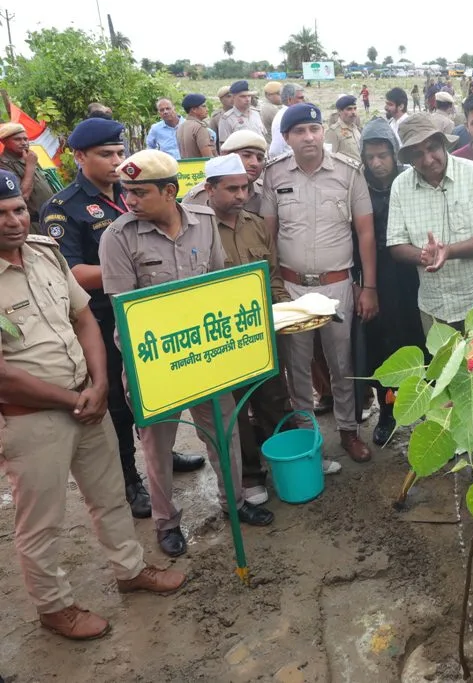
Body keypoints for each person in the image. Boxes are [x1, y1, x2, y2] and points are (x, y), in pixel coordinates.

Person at [0, 170, 187, 641]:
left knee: (109, 497)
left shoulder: (45, 254)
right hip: (31, 418)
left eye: (18, 210)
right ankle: (54, 607)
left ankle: (131, 571)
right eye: (0, 215)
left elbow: (84, 317)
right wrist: (74, 397)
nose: (13, 221)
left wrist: (100, 383)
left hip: (88, 397)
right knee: (41, 521)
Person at [99, 150, 275, 557]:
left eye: (140, 192)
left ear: (170, 191)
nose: (130, 200)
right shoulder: (118, 237)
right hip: (155, 365)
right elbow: (126, 315)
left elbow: (219, 288)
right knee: (157, 448)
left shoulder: (205, 224)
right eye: (127, 191)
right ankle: (166, 521)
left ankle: (235, 502)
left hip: (207, 357)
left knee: (224, 434)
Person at [42, 119, 208, 521]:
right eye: (106, 155)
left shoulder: (130, 192)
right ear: (79, 157)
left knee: (160, 391)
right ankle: (130, 480)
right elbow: (72, 272)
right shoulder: (64, 208)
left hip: (155, 314)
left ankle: (162, 457)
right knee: (118, 403)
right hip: (101, 319)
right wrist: (132, 269)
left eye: (119, 153)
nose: (117, 162)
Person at [261, 104, 378, 464]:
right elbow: (268, 234)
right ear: (287, 138)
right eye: (300, 131)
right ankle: (308, 436)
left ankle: (348, 431)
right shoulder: (275, 174)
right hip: (292, 287)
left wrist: (369, 286)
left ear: (322, 132)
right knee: (296, 367)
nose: (309, 137)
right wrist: (272, 285)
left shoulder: (347, 171)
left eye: (314, 129)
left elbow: (365, 232)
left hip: (337, 285)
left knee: (342, 364)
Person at [200, 153, 295, 505]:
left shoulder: (255, 224)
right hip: (222, 337)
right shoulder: (197, 228)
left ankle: (285, 457)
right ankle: (251, 474)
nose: (241, 195)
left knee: (273, 397)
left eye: (245, 188)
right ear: (210, 189)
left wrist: (286, 311)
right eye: (232, 189)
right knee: (235, 409)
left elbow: (272, 275)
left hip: (261, 331)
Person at [385, 113, 473, 334]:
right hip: (433, 307)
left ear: (443, 145)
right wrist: (423, 255)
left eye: (432, 148)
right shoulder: (401, 186)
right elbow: (396, 246)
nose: (428, 159)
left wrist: (448, 251)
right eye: (418, 154)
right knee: (443, 367)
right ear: (409, 159)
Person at [359, 118, 426, 446]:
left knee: (418, 340)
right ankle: (387, 411)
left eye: (383, 155)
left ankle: (423, 404)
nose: (376, 163)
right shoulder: (358, 186)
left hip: (413, 275)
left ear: (394, 153)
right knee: (381, 346)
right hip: (375, 278)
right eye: (370, 156)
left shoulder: (411, 180)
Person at [183, 130, 266, 216]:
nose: (255, 163)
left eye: (259, 158)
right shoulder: (198, 196)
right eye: (246, 156)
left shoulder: (264, 191)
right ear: (225, 156)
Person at [0, 122, 54, 232]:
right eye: (18, 139)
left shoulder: (29, 157)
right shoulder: (3, 164)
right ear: (4, 141)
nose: (24, 143)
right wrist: (30, 166)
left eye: (25, 139)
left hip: (50, 219)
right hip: (33, 225)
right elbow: (22, 196)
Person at [269, 84, 306, 158]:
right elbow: (275, 151)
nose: (304, 101)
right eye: (300, 98)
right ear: (289, 100)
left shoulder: (293, 115)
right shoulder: (283, 118)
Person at [175, 94, 214, 159]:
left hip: (186, 167)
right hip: (201, 167)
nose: (207, 109)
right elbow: (208, 157)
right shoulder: (199, 127)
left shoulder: (180, 127)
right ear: (194, 110)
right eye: (203, 106)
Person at [325, 95, 362, 161]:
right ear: (339, 111)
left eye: (355, 108)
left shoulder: (355, 129)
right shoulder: (333, 132)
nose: (353, 112)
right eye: (349, 109)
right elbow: (329, 158)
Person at [209, 86, 233, 151]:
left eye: (234, 96)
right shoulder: (217, 117)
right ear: (221, 99)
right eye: (228, 96)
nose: (232, 98)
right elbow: (213, 139)